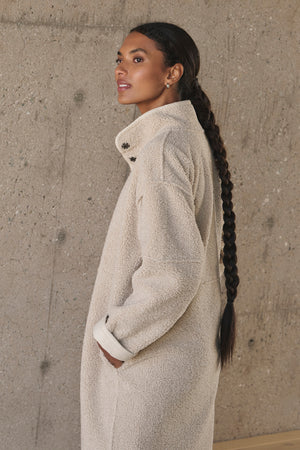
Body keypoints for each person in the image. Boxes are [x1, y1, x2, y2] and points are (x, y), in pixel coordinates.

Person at [80, 21, 239, 450]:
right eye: (119, 59)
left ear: (173, 73)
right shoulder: (187, 139)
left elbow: (175, 270)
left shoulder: (164, 149)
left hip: (148, 369)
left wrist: (118, 338)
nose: (121, 70)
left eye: (137, 59)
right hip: (178, 361)